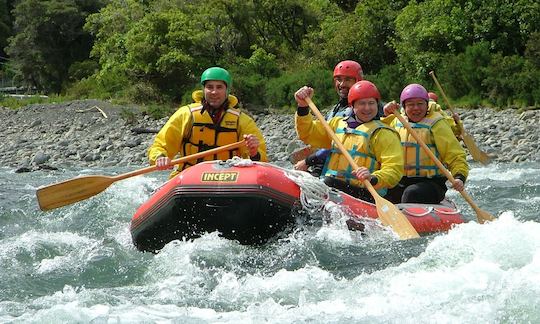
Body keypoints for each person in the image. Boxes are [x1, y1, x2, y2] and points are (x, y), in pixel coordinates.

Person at [294, 80, 404, 203]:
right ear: (352, 105)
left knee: (326, 182)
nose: (367, 108)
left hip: (365, 191)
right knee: (306, 180)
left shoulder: (384, 133)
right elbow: (308, 134)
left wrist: (373, 177)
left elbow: (394, 169)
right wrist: (303, 107)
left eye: (371, 103)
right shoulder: (337, 124)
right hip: (334, 185)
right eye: (362, 103)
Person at [148, 67, 267, 178]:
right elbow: (161, 144)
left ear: (227, 90)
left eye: (219, 87)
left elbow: (260, 161)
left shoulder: (242, 120)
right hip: (189, 177)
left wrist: (254, 152)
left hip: (228, 178)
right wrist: (160, 157)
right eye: (210, 87)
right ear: (203, 90)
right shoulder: (186, 115)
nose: (214, 92)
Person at [382, 84, 469, 204]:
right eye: (411, 104)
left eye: (420, 104)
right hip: (400, 180)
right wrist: (385, 112)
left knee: (411, 194)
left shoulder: (437, 124)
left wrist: (459, 177)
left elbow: (455, 155)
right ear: (404, 107)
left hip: (431, 183)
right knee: (384, 194)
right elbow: (375, 128)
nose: (416, 108)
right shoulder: (396, 121)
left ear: (427, 105)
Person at [292, 60, 364, 174]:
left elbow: (342, 143)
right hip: (327, 166)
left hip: (346, 172)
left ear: (358, 81)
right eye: (339, 79)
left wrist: (308, 161)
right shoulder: (337, 109)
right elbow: (310, 133)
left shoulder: (364, 110)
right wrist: (303, 107)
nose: (342, 84)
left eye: (348, 79)